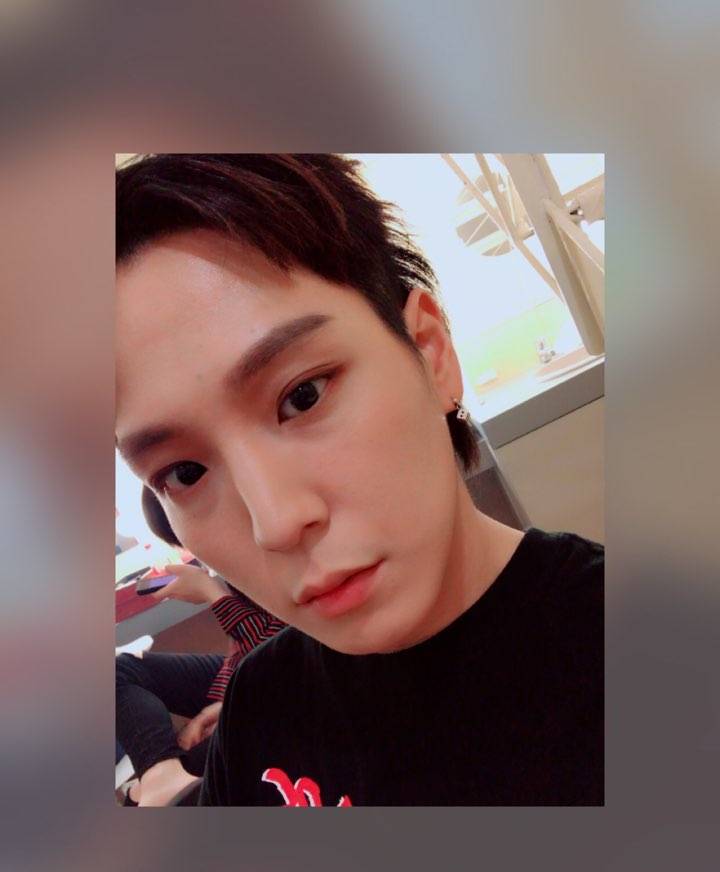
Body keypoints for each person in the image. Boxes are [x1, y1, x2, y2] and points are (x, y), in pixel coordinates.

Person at [115, 154, 603, 805]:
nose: (276, 523)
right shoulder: (260, 711)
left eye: (304, 396)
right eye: (185, 472)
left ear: (430, 352)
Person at [116, 558, 285, 806]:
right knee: (119, 670)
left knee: (179, 774)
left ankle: (147, 786)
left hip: (284, 685)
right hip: (245, 668)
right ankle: (159, 774)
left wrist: (210, 590)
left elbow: (284, 655)